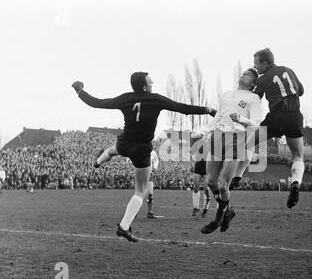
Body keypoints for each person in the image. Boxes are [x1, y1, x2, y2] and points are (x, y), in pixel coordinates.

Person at [72, 72, 216, 242]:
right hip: (141, 149)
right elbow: (182, 108)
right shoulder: (155, 99)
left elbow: (97, 103)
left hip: (124, 143)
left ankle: (97, 162)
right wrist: (207, 110)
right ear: (145, 86)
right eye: (150, 81)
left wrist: (80, 91)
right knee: (140, 191)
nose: (153, 82)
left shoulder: (125, 98)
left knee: (112, 151)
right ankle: (124, 227)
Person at [231, 48, 305, 209]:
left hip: (276, 118)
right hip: (294, 117)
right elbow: (301, 91)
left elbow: (254, 97)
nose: (255, 67)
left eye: (256, 64)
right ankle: (295, 183)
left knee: (249, 143)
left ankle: (237, 176)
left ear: (265, 63)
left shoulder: (263, 79)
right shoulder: (288, 70)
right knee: (298, 156)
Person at [201, 68, 263, 234]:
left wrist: (241, 119)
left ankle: (217, 219)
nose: (244, 74)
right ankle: (228, 211)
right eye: (244, 72)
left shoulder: (253, 98)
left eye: (248, 75)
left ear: (253, 83)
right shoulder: (226, 94)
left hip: (237, 137)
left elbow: (256, 122)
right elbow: (219, 116)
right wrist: (204, 130)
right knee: (211, 182)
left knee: (223, 185)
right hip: (218, 135)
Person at [191, 135, 211, 218]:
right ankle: (196, 208)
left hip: (207, 166)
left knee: (206, 189)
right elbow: (192, 155)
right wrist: (193, 165)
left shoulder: (210, 143)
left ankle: (205, 209)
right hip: (198, 165)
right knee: (195, 187)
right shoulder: (196, 144)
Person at [146, 150, 159, 219]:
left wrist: (155, 167)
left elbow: (156, 159)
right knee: (139, 194)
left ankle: (150, 212)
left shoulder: (152, 152)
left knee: (150, 194)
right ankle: (133, 211)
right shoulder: (137, 148)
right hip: (140, 174)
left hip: (149, 174)